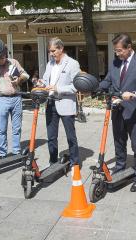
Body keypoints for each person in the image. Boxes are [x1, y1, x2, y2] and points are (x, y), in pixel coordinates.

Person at [99, 33, 136, 192]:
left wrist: (135, 94)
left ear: (129, 47)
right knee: (119, 142)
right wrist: (92, 87)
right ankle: (120, 167)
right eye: (116, 51)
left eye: (120, 50)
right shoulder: (115, 63)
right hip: (117, 109)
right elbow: (107, 81)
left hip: (135, 111)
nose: (117, 54)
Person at [0, 38, 29, 157]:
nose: (1, 61)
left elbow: (26, 75)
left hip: (16, 98)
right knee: (1, 129)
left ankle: (16, 151)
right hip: (2, 99)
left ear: (5, 54)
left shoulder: (13, 62)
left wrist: (19, 79)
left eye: (3, 58)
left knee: (16, 128)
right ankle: (2, 152)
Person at [39, 37, 80, 166]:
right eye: (49, 51)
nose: (51, 54)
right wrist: (41, 83)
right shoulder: (49, 63)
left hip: (66, 104)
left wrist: (58, 89)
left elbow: (77, 86)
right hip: (51, 103)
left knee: (70, 137)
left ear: (61, 49)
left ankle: (75, 163)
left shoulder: (72, 63)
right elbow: (46, 80)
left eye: (53, 51)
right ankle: (53, 161)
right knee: (51, 136)